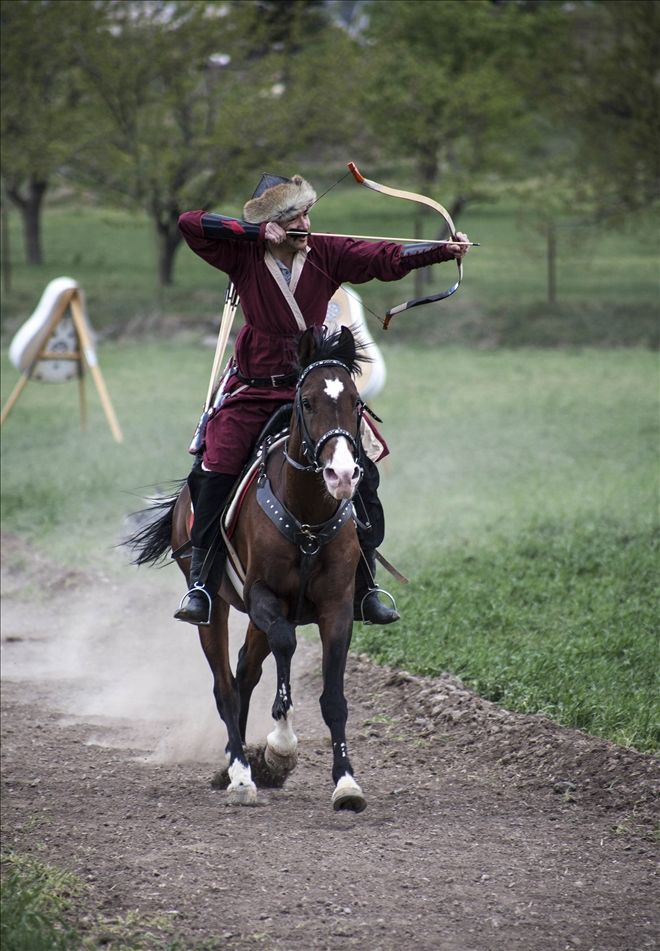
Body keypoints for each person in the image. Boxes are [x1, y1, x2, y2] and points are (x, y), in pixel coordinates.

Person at [175, 173, 470, 627]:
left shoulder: (326, 251)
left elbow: (382, 258)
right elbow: (189, 222)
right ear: (275, 223)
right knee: (214, 471)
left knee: (362, 469)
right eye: (296, 218)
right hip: (254, 388)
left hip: (310, 388)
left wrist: (439, 249)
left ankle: (366, 585)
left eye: (308, 214)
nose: (307, 224)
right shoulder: (242, 254)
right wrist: (254, 232)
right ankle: (202, 583)